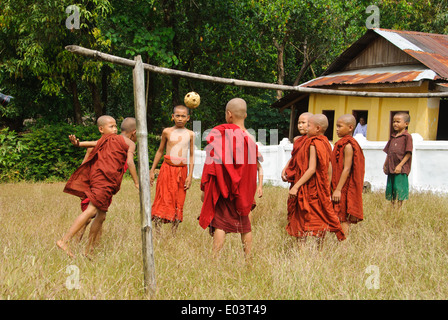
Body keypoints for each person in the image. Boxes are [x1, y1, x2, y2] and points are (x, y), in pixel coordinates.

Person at [57, 115, 138, 258]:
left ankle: (89, 250)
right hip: (103, 180)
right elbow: (130, 163)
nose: (114, 129)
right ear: (135, 133)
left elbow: (92, 143)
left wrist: (78, 144)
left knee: (101, 216)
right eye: (111, 127)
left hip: (105, 181)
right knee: (91, 210)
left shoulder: (109, 139)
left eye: (115, 126)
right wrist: (137, 182)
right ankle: (65, 240)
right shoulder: (129, 143)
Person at [199, 98, 262, 259]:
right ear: (245, 115)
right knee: (245, 225)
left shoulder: (222, 134)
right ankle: (248, 260)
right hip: (243, 191)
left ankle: (214, 259)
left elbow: (212, 163)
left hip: (224, 189)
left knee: (220, 224)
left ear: (229, 114)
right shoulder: (250, 139)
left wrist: (206, 187)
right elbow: (253, 167)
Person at [287, 114, 346, 249]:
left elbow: (312, 169)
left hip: (309, 188)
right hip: (320, 188)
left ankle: (301, 251)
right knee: (320, 218)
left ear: (318, 128)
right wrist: (327, 186)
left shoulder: (313, 143)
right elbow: (329, 167)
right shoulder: (326, 142)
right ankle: (320, 250)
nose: (306, 128)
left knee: (303, 219)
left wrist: (296, 186)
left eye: (309, 125)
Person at [150, 105, 194, 235]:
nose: (180, 118)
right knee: (163, 198)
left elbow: (191, 155)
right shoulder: (167, 132)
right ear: (172, 117)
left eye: (183, 116)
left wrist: (190, 175)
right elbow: (160, 151)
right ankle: (158, 232)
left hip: (182, 170)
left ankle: (173, 233)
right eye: (177, 116)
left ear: (188, 118)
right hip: (167, 169)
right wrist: (152, 170)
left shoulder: (190, 134)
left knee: (178, 199)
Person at [331, 114, 365, 237]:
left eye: (340, 126)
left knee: (343, 215)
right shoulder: (340, 143)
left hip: (343, 186)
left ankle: (343, 243)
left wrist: (338, 189)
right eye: (336, 126)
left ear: (350, 127)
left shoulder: (349, 145)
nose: (337, 129)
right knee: (337, 214)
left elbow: (346, 169)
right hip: (336, 183)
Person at [383, 112, 413, 210]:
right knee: (392, 189)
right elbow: (389, 152)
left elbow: (408, 153)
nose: (395, 124)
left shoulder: (407, 137)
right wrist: (385, 164)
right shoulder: (393, 136)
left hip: (401, 168)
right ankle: (392, 208)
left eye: (398, 122)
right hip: (391, 166)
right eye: (394, 121)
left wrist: (400, 165)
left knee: (399, 189)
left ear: (406, 124)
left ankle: (399, 209)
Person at [281, 112, 313, 183]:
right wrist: (285, 169)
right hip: (297, 173)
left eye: (303, 123)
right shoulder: (297, 140)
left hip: (308, 175)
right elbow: (294, 157)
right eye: (299, 123)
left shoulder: (314, 141)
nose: (300, 126)